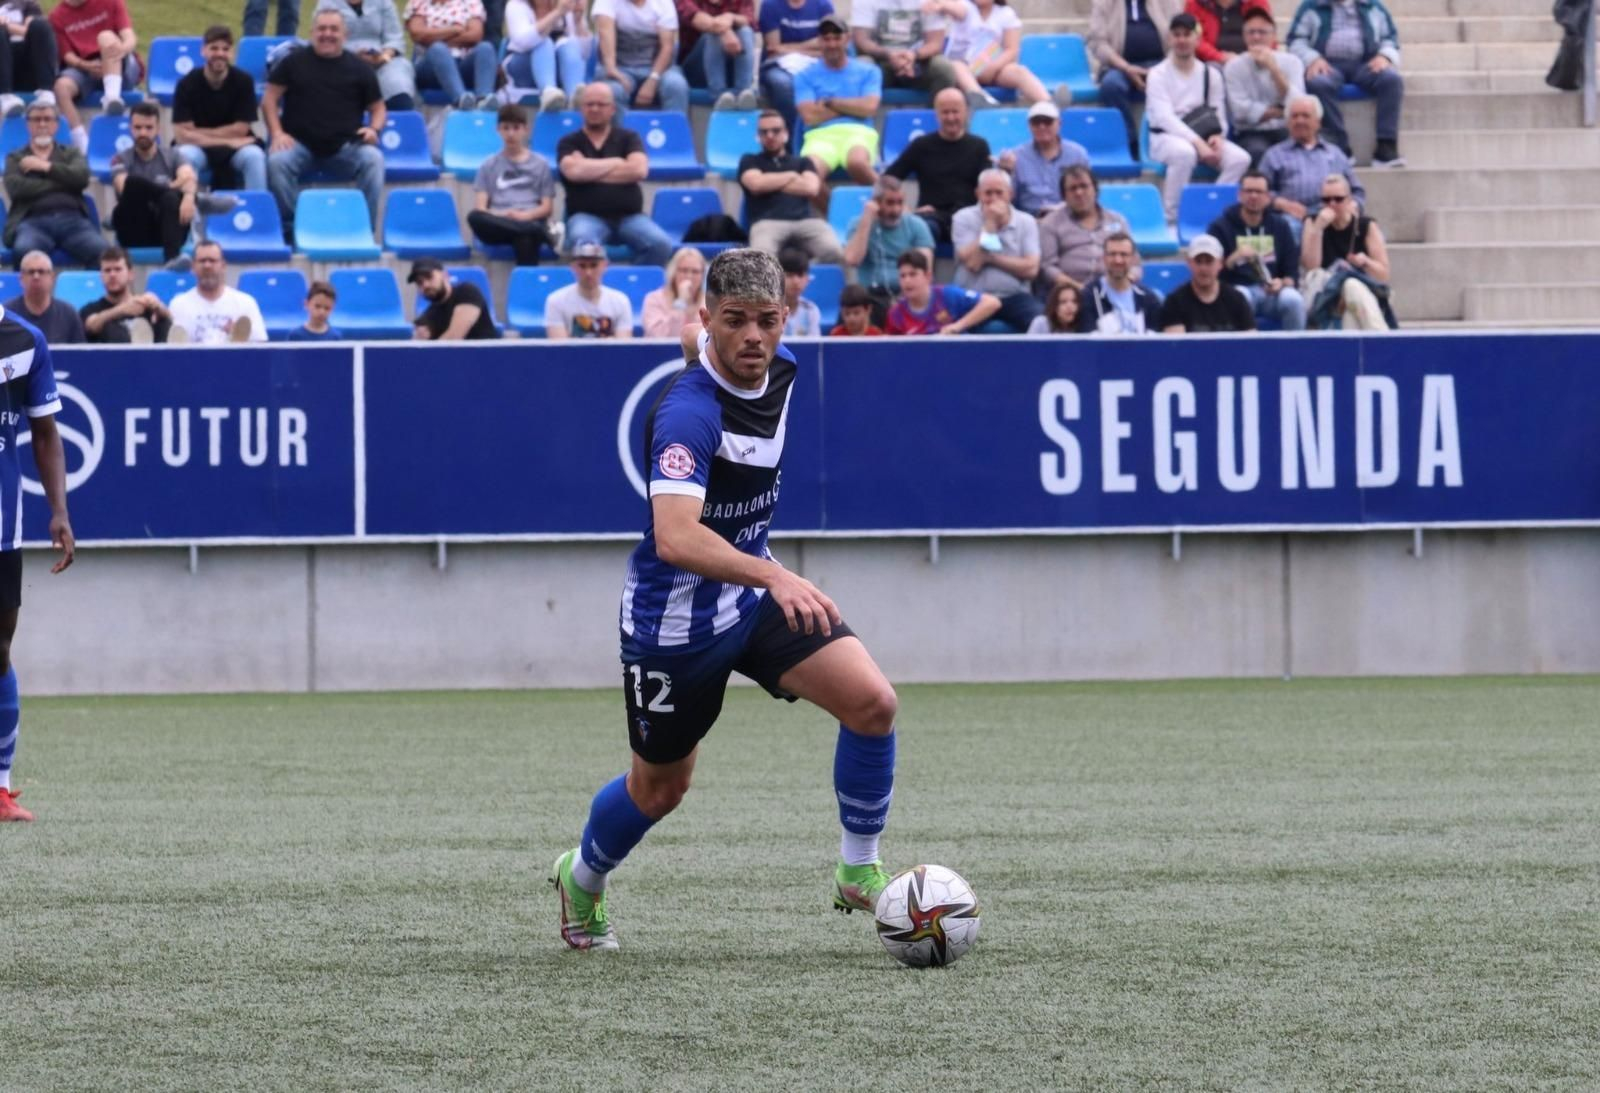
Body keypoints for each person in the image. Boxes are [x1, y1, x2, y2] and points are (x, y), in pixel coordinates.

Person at [549, 248, 903, 951]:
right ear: (709, 315)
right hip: (674, 623)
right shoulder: (687, 416)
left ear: (786, 317)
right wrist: (775, 576)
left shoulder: (779, 364)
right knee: (660, 789)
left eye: (766, 320)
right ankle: (581, 877)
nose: (753, 337)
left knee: (873, 703)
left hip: (752, 596)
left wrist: (765, 580)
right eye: (734, 320)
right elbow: (676, 536)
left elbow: (699, 339)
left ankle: (857, 870)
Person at [0, 265, 75, 823]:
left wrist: (59, 511)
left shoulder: (25, 341)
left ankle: (0, 788)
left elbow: (46, 434)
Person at [264, 10, 387, 236]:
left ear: (345, 35)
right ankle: (293, 228)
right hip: (298, 145)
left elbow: (378, 107)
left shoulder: (360, 68)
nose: (327, 34)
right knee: (276, 162)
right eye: (321, 29)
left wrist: (373, 129)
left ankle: (363, 229)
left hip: (346, 147)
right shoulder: (293, 62)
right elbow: (269, 99)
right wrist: (277, 133)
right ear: (312, 32)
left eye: (334, 29)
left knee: (374, 160)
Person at [1146, 13, 1250, 220]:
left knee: (1240, 159)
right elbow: (1164, 118)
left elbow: (1218, 113)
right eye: (1177, 35)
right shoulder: (1157, 74)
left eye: (1187, 34)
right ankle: (1172, 215)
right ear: (1170, 39)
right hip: (1165, 137)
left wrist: (1218, 136)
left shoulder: (1211, 74)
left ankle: (1212, 210)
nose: (1182, 40)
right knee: (1184, 153)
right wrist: (1197, 143)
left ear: (1197, 39)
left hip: (1203, 134)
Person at [557, 83, 674, 266]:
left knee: (661, 245)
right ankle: (597, 285)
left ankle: (634, 281)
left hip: (630, 217)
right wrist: (618, 162)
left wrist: (587, 168)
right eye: (589, 104)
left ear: (612, 109)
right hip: (586, 216)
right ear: (581, 108)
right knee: (585, 246)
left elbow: (639, 170)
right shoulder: (569, 142)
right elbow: (573, 172)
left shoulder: (629, 137)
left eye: (601, 104)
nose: (595, 109)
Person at [1287, 0, 1404, 166]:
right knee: (1318, 83)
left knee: (1391, 80)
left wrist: (1384, 56)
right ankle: (1339, 146)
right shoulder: (1311, 6)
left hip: (1366, 63)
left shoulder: (1372, 6)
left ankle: (1386, 146)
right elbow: (1295, 40)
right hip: (1327, 64)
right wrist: (1312, 58)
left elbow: (1390, 38)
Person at [111, 102, 224, 267]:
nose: (143, 133)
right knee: (133, 183)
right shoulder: (120, 159)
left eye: (149, 128)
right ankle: (200, 201)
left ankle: (172, 258)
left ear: (158, 129)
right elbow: (123, 187)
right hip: (134, 228)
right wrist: (174, 189)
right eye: (138, 127)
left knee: (170, 199)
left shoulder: (173, 155)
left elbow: (188, 177)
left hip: (167, 229)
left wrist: (189, 196)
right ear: (130, 129)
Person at [3, 101, 103, 270]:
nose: (42, 124)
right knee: (23, 251)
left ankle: (90, 287)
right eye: (37, 119)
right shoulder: (16, 157)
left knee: (102, 252)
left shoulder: (71, 153)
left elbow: (81, 178)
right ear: (28, 124)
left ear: (56, 124)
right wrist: (64, 183)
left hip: (73, 221)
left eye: (47, 119)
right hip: (32, 222)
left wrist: (45, 167)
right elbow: (16, 188)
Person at [883, 87, 991, 244]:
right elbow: (888, 180)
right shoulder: (921, 145)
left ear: (966, 112)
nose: (951, 118)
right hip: (932, 217)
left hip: (969, 217)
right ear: (936, 114)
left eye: (955, 112)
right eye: (945, 112)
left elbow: (988, 186)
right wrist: (904, 209)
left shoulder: (979, 146)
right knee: (923, 229)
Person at [172, 26, 270, 193]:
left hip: (235, 149)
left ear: (232, 53)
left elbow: (240, 130)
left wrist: (197, 132)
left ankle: (257, 207)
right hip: (199, 149)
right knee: (185, 155)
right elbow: (182, 136)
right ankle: (186, 208)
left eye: (225, 49)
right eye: (214, 48)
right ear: (203, 51)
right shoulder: (186, 84)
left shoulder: (244, 81)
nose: (220, 53)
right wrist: (227, 141)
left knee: (254, 156)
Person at [740, 110, 843, 264]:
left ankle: (803, 274)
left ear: (786, 134)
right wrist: (792, 176)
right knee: (762, 259)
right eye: (764, 132)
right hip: (767, 223)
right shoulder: (749, 160)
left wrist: (768, 181)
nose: (770, 136)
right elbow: (755, 185)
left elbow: (811, 188)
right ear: (758, 136)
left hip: (805, 222)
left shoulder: (803, 162)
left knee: (834, 251)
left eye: (776, 131)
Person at [1207, 169, 1305, 329]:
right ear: (1240, 194)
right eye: (1249, 191)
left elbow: (1292, 272)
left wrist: (1281, 283)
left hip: (1272, 293)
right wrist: (1233, 258)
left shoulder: (1280, 226)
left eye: (1259, 192)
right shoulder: (1220, 227)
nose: (1253, 196)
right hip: (1237, 289)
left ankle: (1296, 345)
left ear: (1268, 197)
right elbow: (1210, 273)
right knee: (1240, 296)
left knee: (1293, 299)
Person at [793, 13, 881, 189]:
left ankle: (892, 202)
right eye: (826, 39)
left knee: (857, 162)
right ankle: (832, 208)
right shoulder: (804, 75)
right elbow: (810, 116)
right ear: (819, 41)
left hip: (858, 132)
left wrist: (829, 102)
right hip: (819, 135)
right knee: (809, 179)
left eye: (837, 38)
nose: (832, 44)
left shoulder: (869, 71)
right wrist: (854, 107)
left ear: (847, 39)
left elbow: (869, 108)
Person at [1088, 0, 1184, 158]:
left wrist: (1160, 70)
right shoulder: (1104, 2)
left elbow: (1180, 35)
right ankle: (1130, 143)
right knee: (1111, 86)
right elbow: (1097, 43)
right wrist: (1126, 67)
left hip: (1162, 64)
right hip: (1119, 66)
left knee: (1178, 82)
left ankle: (1170, 138)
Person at [951, 168, 1042, 332]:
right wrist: (990, 223)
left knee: (1041, 321)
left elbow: (1031, 270)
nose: (993, 199)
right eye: (988, 193)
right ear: (978, 194)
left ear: (1011, 194)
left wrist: (991, 259)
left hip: (1014, 296)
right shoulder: (962, 218)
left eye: (999, 193)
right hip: (973, 296)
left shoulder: (1027, 221)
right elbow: (973, 264)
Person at [1258, 94, 1363, 236]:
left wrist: (1351, 206)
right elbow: (1260, 192)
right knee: (1288, 228)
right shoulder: (1274, 155)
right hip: (1292, 218)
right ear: (1287, 123)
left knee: (1369, 230)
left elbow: (1357, 191)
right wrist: (1281, 203)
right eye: (1294, 116)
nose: (1299, 121)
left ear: (1318, 122)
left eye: (1305, 116)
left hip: (1333, 216)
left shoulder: (1335, 154)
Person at [468, 103, 558, 267]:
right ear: (498, 130)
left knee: (525, 238)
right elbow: (481, 208)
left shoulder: (540, 164)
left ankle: (526, 279)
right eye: (506, 128)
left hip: (529, 217)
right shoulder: (488, 165)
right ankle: (540, 232)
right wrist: (503, 216)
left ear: (526, 130)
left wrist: (525, 216)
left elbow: (547, 208)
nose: (511, 134)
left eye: (516, 128)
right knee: (474, 217)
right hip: (499, 223)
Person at [1299, 171, 1393, 329]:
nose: (1332, 204)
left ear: (1349, 200)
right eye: (1326, 200)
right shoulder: (1313, 222)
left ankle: (1379, 336)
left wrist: (1365, 262)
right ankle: (1382, 337)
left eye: (1338, 199)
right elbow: (1311, 267)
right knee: (1350, 289)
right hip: (1326, 293)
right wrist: (1318, 229)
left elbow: (1383, 275)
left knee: (1351, 289)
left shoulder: (1365, 225)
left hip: (1362, 291)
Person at [926, 0, 1055, 108]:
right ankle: (981, 99)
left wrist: (992, 68)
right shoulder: (966, 7)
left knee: (1018, 71)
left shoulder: (1006, 14)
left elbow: (1011, 49)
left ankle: (1049, 103)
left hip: (991, 68)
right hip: (963, 70)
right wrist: (941, 5)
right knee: (956, 66)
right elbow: (955, 8)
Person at [48, 0, 140, 152]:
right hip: (85, 66)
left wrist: (119, 51)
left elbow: (129, 37)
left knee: (106, 37)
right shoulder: (57, 16)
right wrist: (86, 65)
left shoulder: (111, 2)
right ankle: (82, 144)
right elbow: (67, 55)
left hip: (118, 62)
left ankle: (112, 98)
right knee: (60, 87)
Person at [841, 175, 933, 323]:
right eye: (890, 203)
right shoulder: (858, 224)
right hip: (870, 297)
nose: (896, 209)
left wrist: (905, 297)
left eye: (900, 202)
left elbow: (924, 268)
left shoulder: (917, 225)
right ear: (876, 202)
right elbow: (852, 259)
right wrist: (867, 219)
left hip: (906, 296)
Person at [1038, 166, 1138, 298]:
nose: (1079, 192)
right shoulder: (1051, 223)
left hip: (1115, 290)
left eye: (1084, 186)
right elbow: (1048, 269)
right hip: (1070, 296)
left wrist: (1123, 283)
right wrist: (1083, 290)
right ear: (1064, 195)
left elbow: (1135, 264)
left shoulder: (1117, 220)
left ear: (1095, 190)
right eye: (1073, 188)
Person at [1224, 6, 1305, 167]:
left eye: (1262, 32)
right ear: (1244, 36)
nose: (1256, 37)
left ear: (1273, 36)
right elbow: (1240, 112)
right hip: (1251, 132)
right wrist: (1281, 112)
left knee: (1300, 148)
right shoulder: (1233, 67)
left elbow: (1297, 104)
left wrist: (1274, 70)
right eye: (1251, 32)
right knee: (1258, 152)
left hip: (1286, 129)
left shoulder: (1292, 62)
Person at [317, 0, 418, 112]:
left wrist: (383, 56)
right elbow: (321, 40)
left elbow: (395, 38)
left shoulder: (384, 2)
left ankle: (401, 118)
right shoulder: (327, 3)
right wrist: (352, 57)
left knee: (398, 77)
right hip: (340, 61)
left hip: (381, 61)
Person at [593, 0, 690, 113]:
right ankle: (617, 125)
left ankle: (674, 124)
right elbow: (605, 34)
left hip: (658, 67)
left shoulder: (664, 3)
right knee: (612, 91)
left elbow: (667, 47)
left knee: (676, 85)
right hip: (620, 67)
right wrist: (612, 69)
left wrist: (653, 79)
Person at [996, 100, 1090, 218]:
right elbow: (1006, 199)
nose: (1042, 126)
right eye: (1036, 122)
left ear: (1059, 123)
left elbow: (1087, 192)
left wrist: (1064, 207)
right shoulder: (1016, 156)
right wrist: (1005, 173)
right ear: (1029, 125)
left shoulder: (1077, 155)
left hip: (1068, 216)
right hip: (1029, 219)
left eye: (1047, 121)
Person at [850, 0, 957, 100]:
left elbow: (935, 43)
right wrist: (889, 55)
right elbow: (862, 41)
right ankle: (861, 112)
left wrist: (914, 55)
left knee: (943, 68)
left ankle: (935, 113)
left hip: (918, 63)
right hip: (881, 63)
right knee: (861, 66)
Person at [167, 242, 268, 345]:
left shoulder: (245, 303)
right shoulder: (179, 305)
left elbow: (260, 348)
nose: (207, 265)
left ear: (223, 266)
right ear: (193, 267)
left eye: (212, 260)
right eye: (202, 261)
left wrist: (239, 339)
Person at [758, 0, 831, 143]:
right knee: (785, 85)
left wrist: (789, 48)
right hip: (778, 64)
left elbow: (828, 44)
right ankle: (791, 140)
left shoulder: (823, 5)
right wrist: (812, 46)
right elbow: (774, 48)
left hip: (816, 63)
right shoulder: (770, 5)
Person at [407, 0, 498, 111]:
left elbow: (475, 35)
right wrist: (454, 30)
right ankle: (460, 100)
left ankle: (484, 99)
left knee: (485, 48)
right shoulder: (420, 2)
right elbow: (418, 34)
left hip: (462, 62)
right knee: (438, 49)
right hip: (430, 66)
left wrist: (433, 36)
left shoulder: (470, 2)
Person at [886, 248, 1000, 335]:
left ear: (928, 276)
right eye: (902, 276)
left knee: (996, 327)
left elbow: (992, 302)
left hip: (957, 354)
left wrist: (958, 325)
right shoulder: (895, 314)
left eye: (913, 274)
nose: (907, 281)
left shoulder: (948, 294)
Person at [1158, 233, 1256, 332]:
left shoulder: (1237, 299)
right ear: (1189, 263)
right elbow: (1176, 340)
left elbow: (1250, 338)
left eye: (1209, 261)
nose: (1203, 268)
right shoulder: (1175, 302)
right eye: (1198, 261)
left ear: (1220, 263)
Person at [502, 0, 583, 111]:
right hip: (523, 63)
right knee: (544, 43)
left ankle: (574, 96)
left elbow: (582, 51)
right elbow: (523, 41)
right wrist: (557, 13)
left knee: (567, 44)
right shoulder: (516, 5)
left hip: (557, 66)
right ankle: (549, 92)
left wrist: (578, 21)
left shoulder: (565, 7)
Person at [678, 0, 760, 111]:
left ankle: (743, 93)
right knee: (713, 34)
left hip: (732, 65)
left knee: (745, 31)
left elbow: (749, 20)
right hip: (697, 68)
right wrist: (725, 31)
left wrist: (731, 17)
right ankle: (718, 95)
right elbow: (699, 20)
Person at [80, 246, 172, 344]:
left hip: (150, 352)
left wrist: (157, 306)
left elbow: (170, 320)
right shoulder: (91, 309)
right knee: (111, 329)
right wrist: (122, 310)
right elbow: (91, 326)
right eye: (107, 270)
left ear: (130, 274)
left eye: (118, 269)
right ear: (101, 276)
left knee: (164, 323)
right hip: (112, 351)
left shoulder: (143, 305)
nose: (112, 275)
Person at [543, 242, 633, 338]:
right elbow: (559, 344)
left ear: (604, 266)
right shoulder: (556, 301)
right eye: (582, 266)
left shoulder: (621, 301)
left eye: (594, 265)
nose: (588, 272)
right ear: (573, 267)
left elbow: (623, 343)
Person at [1076, 232, 1162, 333]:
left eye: (1123, 254)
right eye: (1112, 254)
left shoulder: (1148, 298)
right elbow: (1087, 338)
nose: (1118, 260)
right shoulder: (1089, 296)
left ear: (1133, 259)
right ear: (1104, 258)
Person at [410, 259, 501, 341]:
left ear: (445, 275)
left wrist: (428, 347)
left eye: (429, 277)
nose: (425, 285)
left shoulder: (467, 293)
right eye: (419, 282)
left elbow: (453, 338)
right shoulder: (428, 316)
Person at [4, 252, 84, 344]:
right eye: (31, 272)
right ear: (21, 278)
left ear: (52, 278)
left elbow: (79, 350)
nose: (36, 276)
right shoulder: (7, 315)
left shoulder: (68, 314)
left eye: (41, 272)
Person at [0, 2, 57, 120]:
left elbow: (34, 30)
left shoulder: (26, 4)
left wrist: (7, 26)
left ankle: (46, 91)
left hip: (28, 64)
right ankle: (5, 96)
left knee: (40, 25)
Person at [642, 246, 706, 338]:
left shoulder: (710, 302)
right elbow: (658, 337)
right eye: (684, 270)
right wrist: (681, 302)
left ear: (702, 275)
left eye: (695, 272)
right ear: (673, 272)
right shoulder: (654, 299)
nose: (689, 276)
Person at [1188, 0, 1267, 63]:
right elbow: (1193, 39)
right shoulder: (1196, 3)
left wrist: (1249, 58)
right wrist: (1220, 57)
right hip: (1212, 62)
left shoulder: (1255, 2)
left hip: (1252, 59)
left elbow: (1267, 33)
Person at [779, 247, 822, 337]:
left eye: (800, 275)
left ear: (808, 279)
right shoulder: (770, 310)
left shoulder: (811, 310)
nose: (796, 281)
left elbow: (814, 344)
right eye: (789, 275)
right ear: (778, 278)